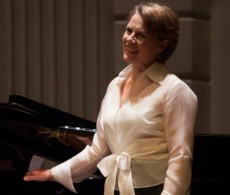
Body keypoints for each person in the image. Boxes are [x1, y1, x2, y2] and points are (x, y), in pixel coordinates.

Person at [23, 2, 198, 195]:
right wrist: (53, 173)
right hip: (115, 188)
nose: (129, 39)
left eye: (140, 35)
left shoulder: (175, 90)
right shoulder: (115, 85)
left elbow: (180, 158)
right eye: (128, 31)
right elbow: (98, 150)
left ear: (162, 45)